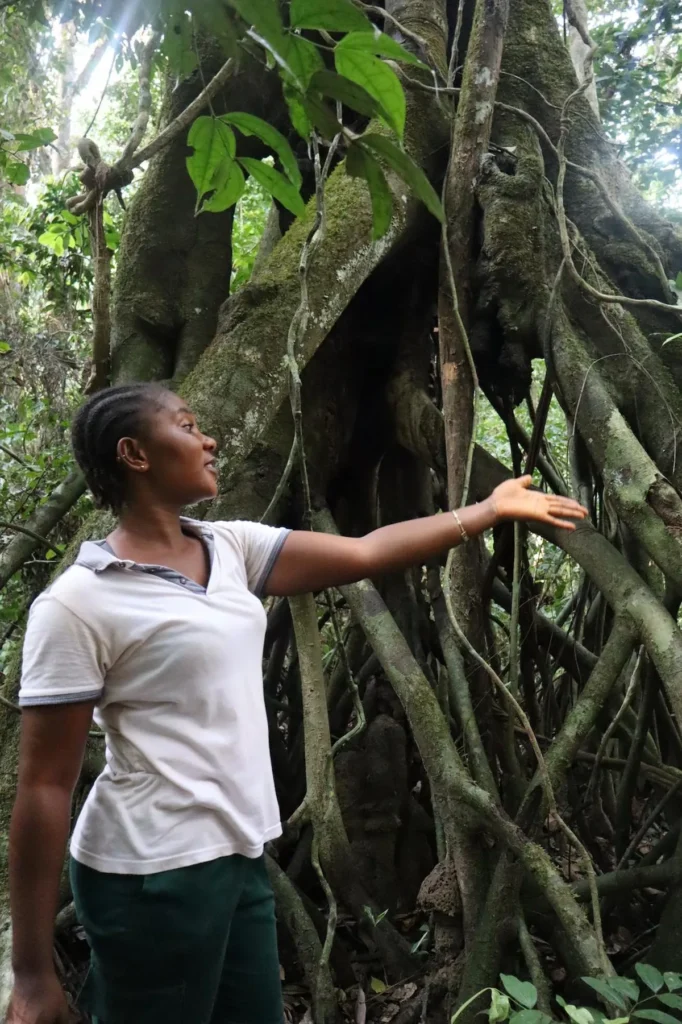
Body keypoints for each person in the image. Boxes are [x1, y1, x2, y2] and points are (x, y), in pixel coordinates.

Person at [7, 382, 587, 1024]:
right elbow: (43, 787)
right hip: (152, 875)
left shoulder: (228, 547)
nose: (210, 439)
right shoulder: (79, 603)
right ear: (134, 454)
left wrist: (486, 510)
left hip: (240, 854)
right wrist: (31, 973)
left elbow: (365, 553)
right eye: (188, 424)